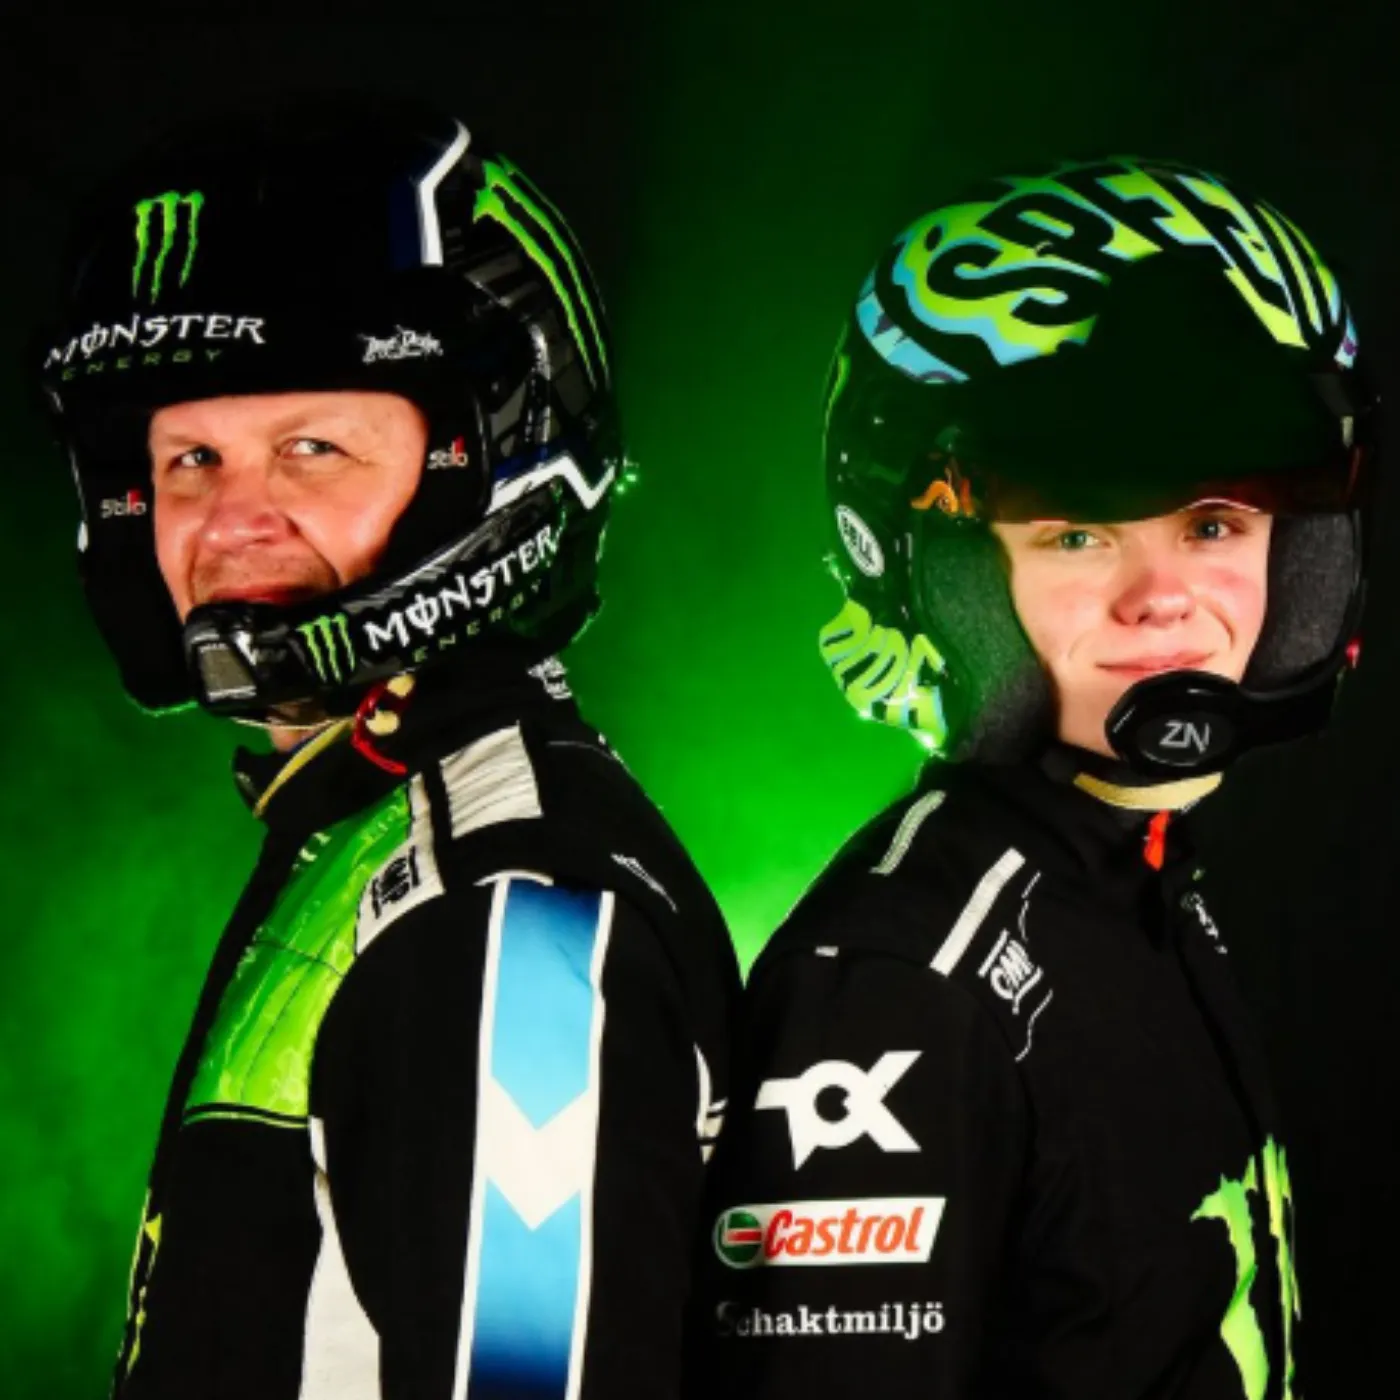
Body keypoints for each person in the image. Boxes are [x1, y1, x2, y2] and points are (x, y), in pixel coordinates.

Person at [37, 98, 739, 1400]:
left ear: (484, 462)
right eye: (189, 457)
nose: (230, 520)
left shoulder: (501, 910)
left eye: (311, 447)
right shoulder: (362, 829)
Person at [686, 157, 1377, 1398]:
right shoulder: (903, 981)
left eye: (1211, 523)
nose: (1161, 597)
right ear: (933, 571)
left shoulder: (1139, 881)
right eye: (1074, 532)